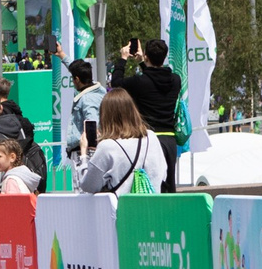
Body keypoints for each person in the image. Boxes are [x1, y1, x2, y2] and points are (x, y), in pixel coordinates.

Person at [114, 38, 183, 192]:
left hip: (148, 140)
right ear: (164, 57)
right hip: (169, 140)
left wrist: (123, 58)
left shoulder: (140, 82)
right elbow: (154, 78)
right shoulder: (176, 80)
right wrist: (143, 62)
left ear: (146, 55)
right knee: (169, 187)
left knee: (149, 186)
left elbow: (116, 83)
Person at [75, 91, 168, 194]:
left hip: (121, 209)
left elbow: (88, 186)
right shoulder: (151, 137)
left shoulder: (107, 147)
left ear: (105, 116)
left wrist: (84, 155)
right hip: (152, 206)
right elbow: (163, 173)